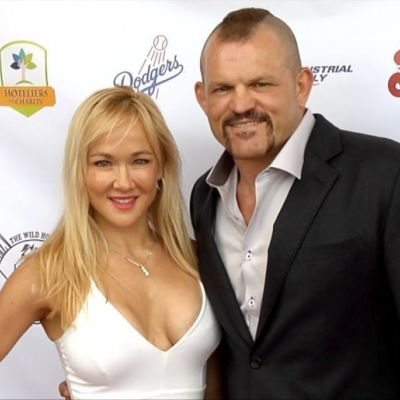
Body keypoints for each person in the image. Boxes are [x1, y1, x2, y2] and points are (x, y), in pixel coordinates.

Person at [190, 7, 400, 400]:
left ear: (302, 85)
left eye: (260, 84)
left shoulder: (385, 174)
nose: (240, 104)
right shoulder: (205, 195)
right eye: (223, 89)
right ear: (202, 97)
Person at [0, 86, 220, 399]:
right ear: (80, 170)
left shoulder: (196, 258)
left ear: (161, 166)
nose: (124, 182)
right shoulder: (48, 272)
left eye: (140, 161)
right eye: (104, 163)